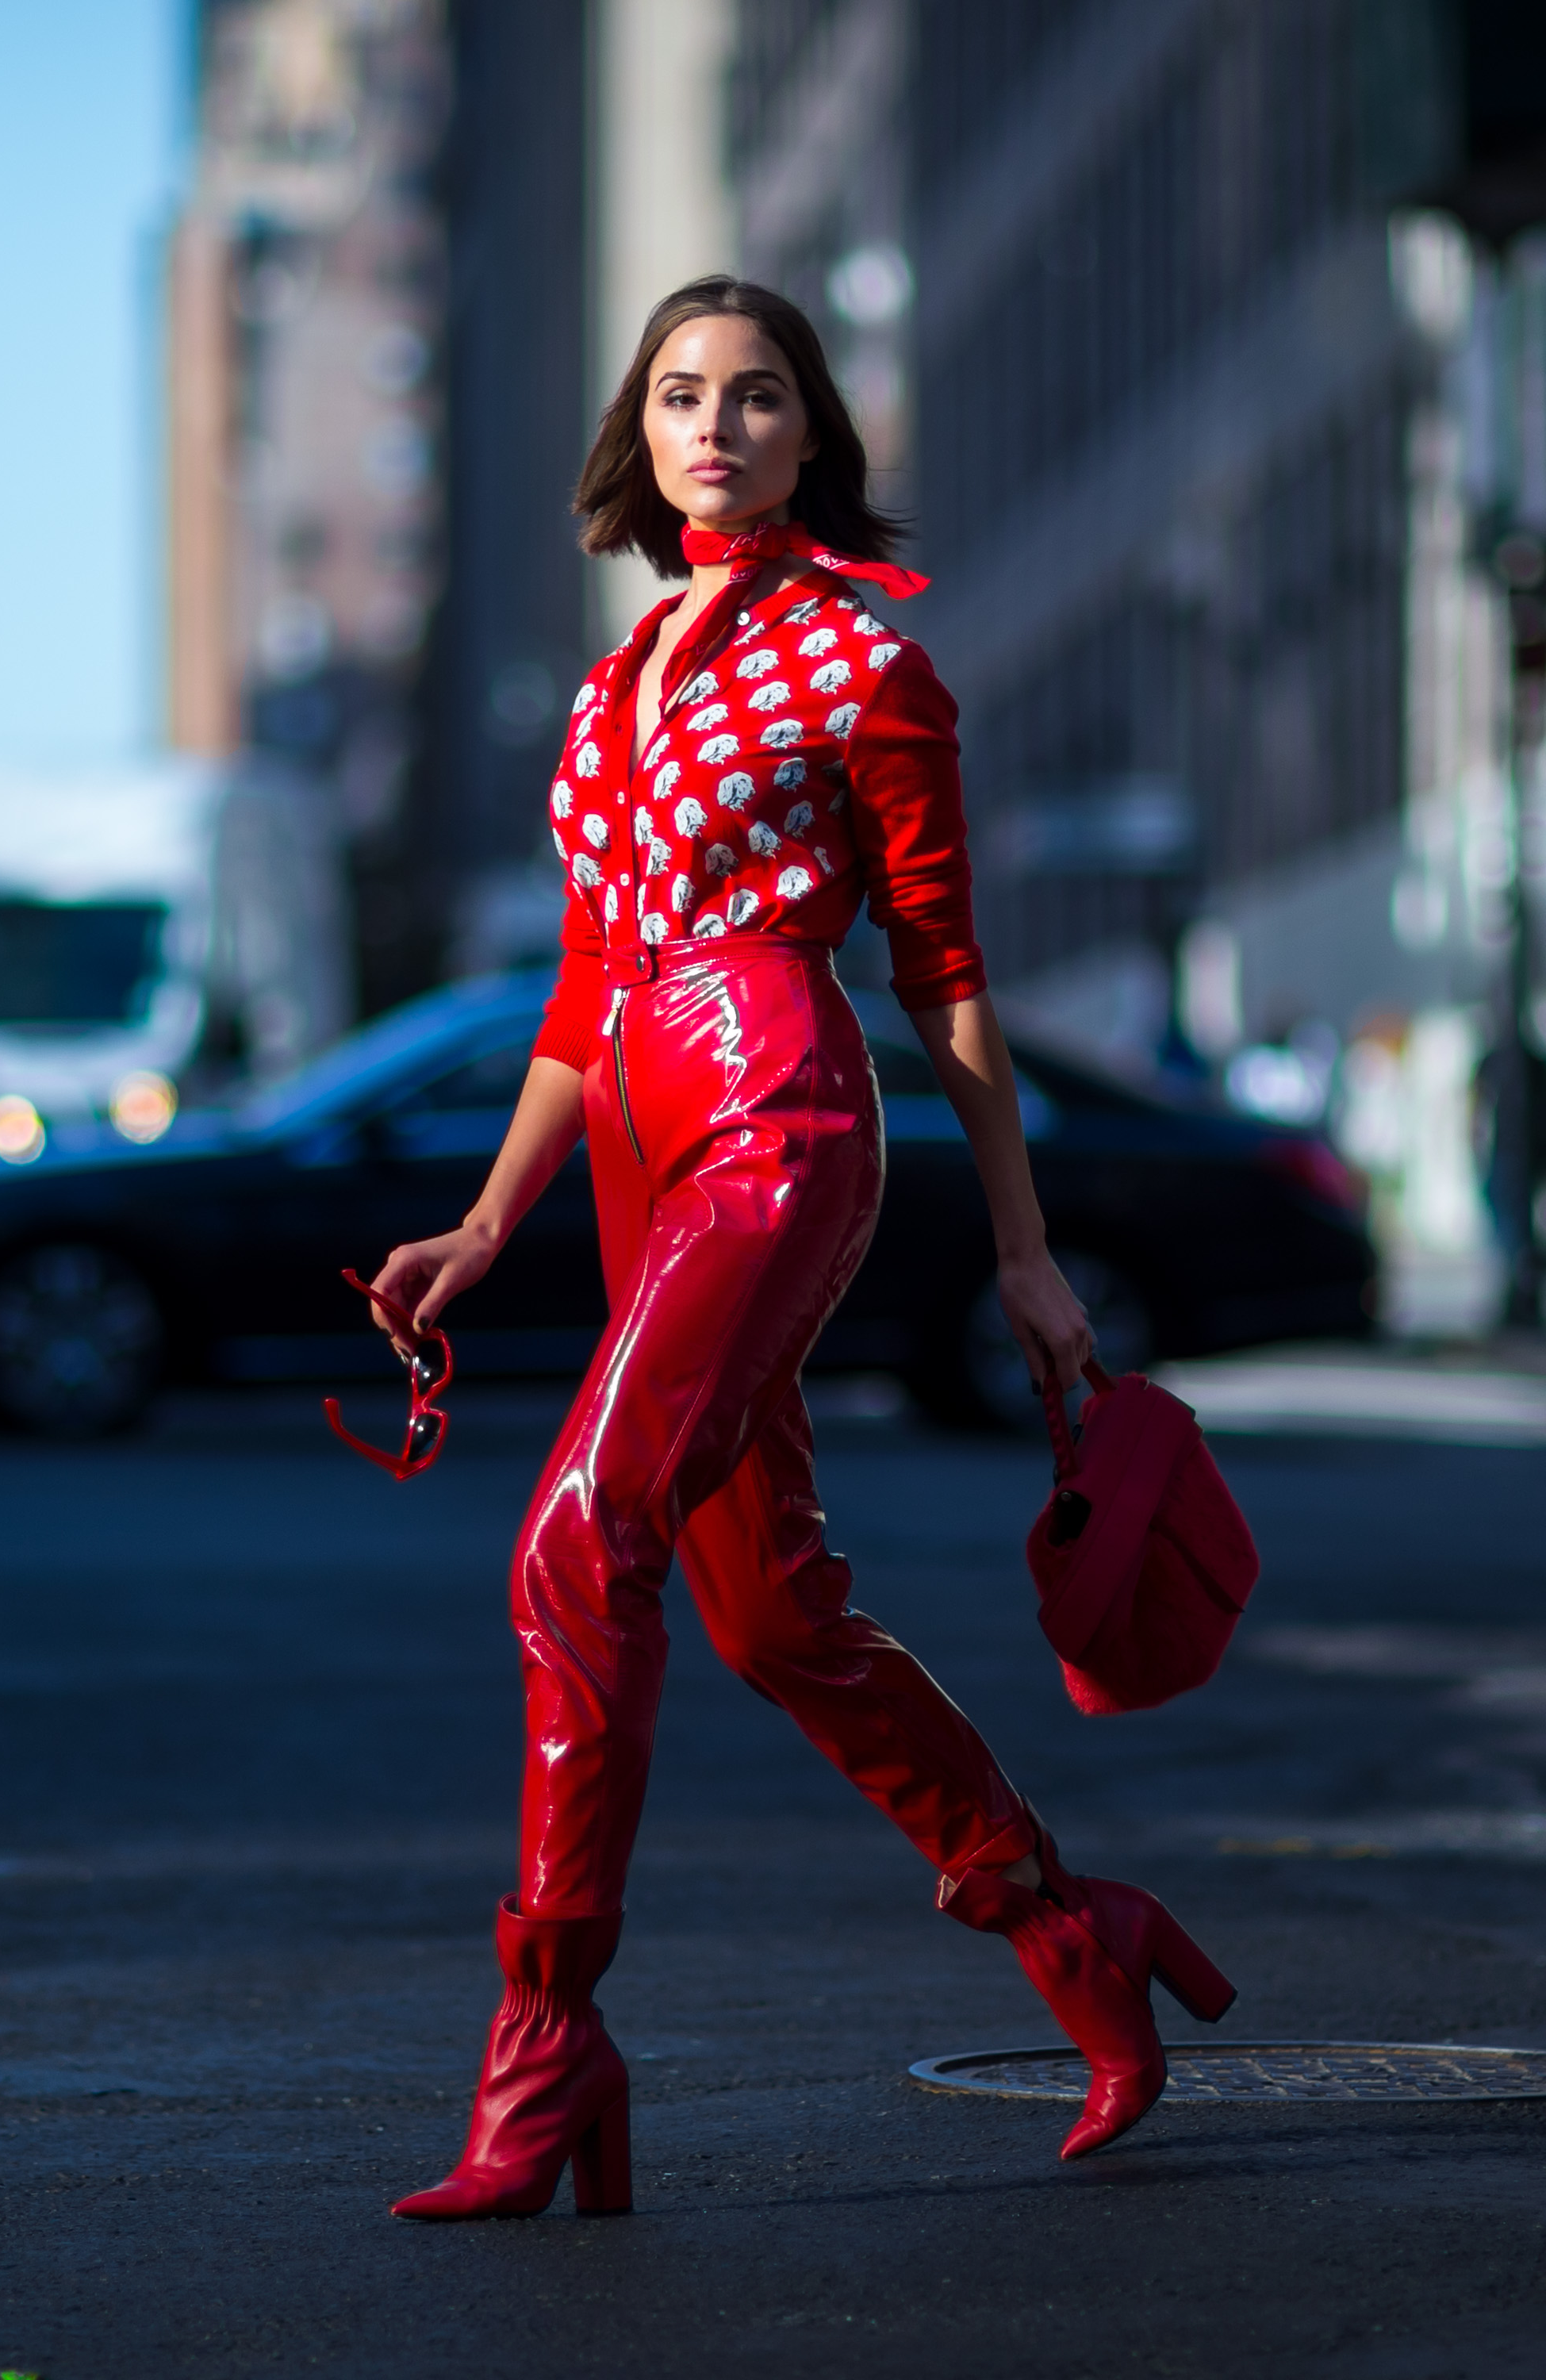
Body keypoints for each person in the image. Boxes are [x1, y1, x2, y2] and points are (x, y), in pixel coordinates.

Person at [374, 277, 1233, 2221]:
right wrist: (492, 1218)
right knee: (768, 1619)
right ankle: (1066, 1926)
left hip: (779, 1118)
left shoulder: (864, 669)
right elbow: (588, 998)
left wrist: (1023, 1250)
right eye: (681, 393)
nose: (716, 425)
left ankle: (546, 2041)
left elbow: (944, 979)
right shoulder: (608, 692)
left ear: (810, 438)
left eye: (759, 396)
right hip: (633, 1157)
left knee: (572, 1546)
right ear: (640, 430)